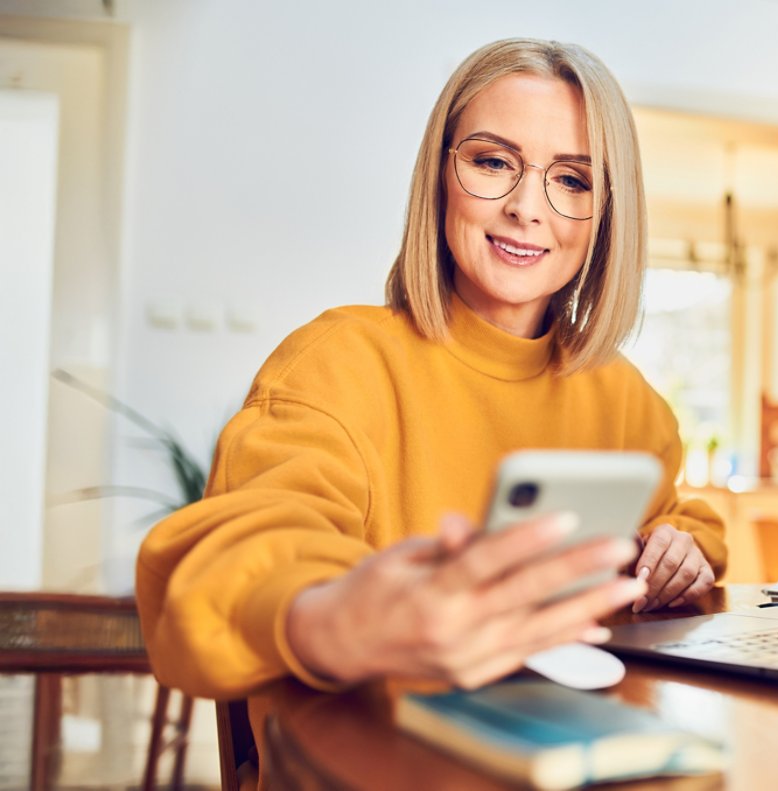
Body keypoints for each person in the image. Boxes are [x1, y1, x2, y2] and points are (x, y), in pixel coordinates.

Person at [135, 36, 726, 781]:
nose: (524, 207)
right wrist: (341, 614)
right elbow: (229, 561)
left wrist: (682, 540)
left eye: (572, 180)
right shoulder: (337, 361)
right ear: (440, 174)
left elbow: (677, 511)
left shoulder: (626, 398)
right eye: (492, 162)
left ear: (606, 212)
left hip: (564, 755)